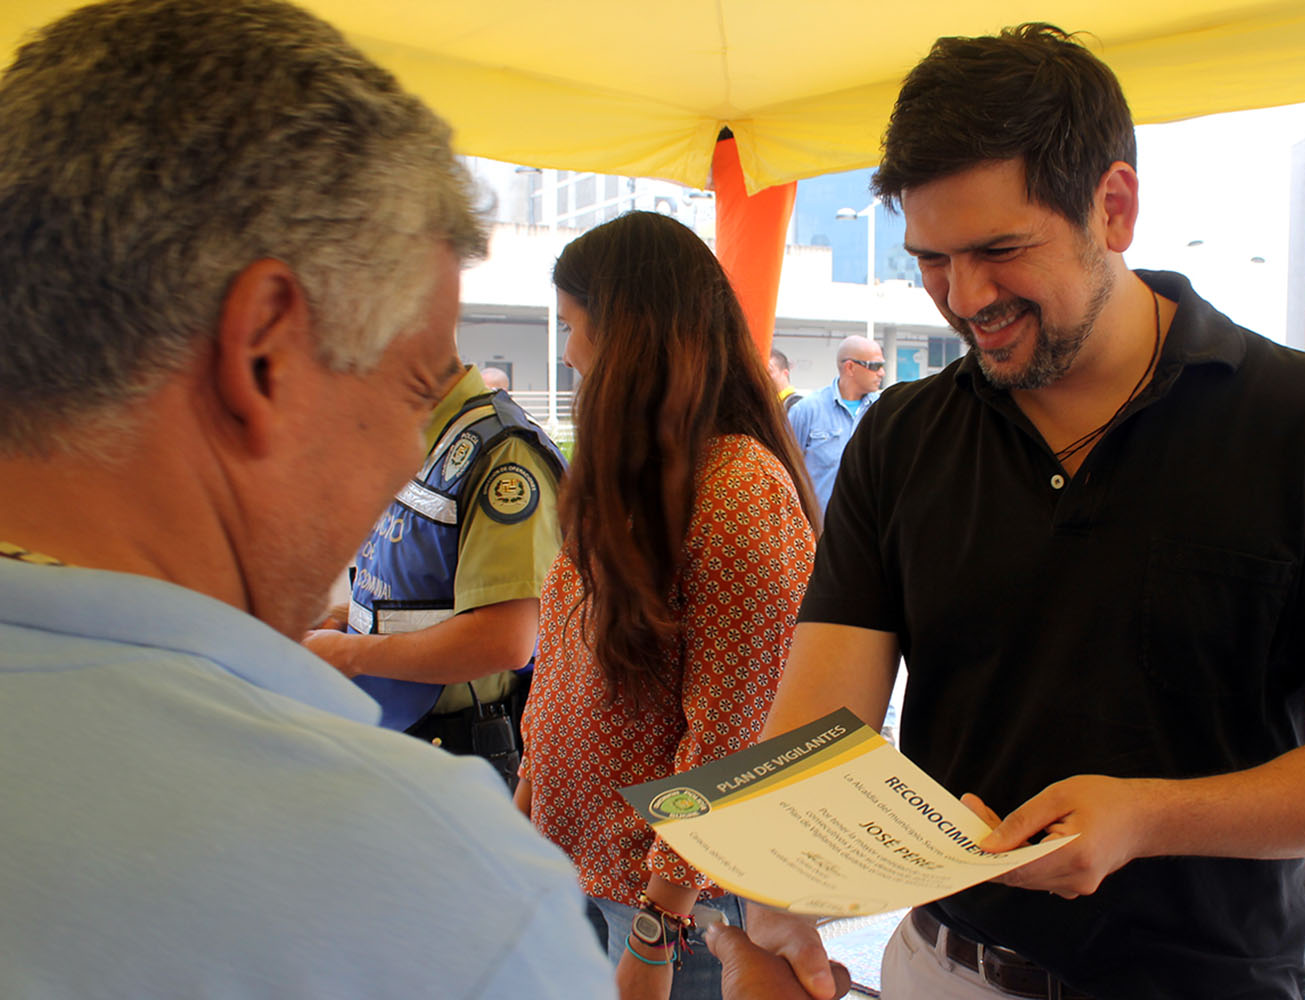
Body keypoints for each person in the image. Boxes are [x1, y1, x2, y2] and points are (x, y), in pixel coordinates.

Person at [755, 24, 1305, 1000]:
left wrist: (1146, 817)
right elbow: (817, 737)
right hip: (946, 970)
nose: (964, 298)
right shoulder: (903, 437)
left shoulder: (1302, 421)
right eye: (933, 259)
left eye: (999, 249)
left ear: (1113, 206)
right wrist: (765, 888)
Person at [0, 1, 614, 995]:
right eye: (412, 387)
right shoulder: (441, 887)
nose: (405, 449)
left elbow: (510, 635)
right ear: (265, 355)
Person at [519, 211, 821, 1000]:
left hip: (674, 907)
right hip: (587, 871)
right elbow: (560, 665)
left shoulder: (736, 491)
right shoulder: (632, 475)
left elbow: (733, 730)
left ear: (634, 335)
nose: (568, 352)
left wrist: (659, 926)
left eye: (575, 326)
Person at [301, 357, 564, 789]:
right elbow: (432, 590)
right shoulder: (427, 436)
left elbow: (506, 640)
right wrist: (353, 617)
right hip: (399, 730)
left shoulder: (501, 453)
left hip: (458, 747)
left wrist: (349, 654)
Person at [787, 334, 884, 517]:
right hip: (819, 533)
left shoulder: (883, 411)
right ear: (850, 367)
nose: (881, 373)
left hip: (867, 535)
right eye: (875, 366)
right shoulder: (806, 411)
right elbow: (785, 468)